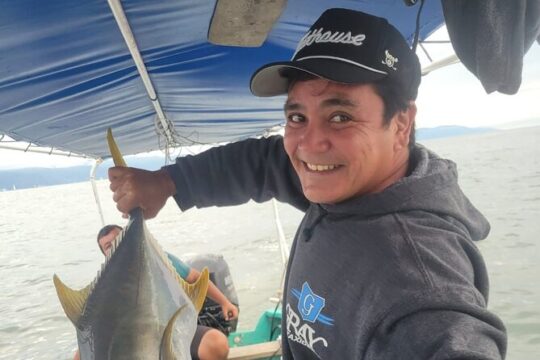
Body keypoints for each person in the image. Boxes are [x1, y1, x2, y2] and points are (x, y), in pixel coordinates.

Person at [108, 8, 507, 359]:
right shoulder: (350, 182)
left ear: (401, 124)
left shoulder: (419, 278)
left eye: (340, 117)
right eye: (297, 117)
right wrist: (169, 181)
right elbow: (263, 163)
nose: (308, 146)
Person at [73, 224, 238, 360]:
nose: (115, 246)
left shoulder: (160, 261)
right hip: (131, 341)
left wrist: (225, 302)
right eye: (108, 246)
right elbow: (93, 328)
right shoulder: (104, 286)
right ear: (105, 255)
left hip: (175, 330)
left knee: (216, 344)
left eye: (119, 239)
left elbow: (195, 278)